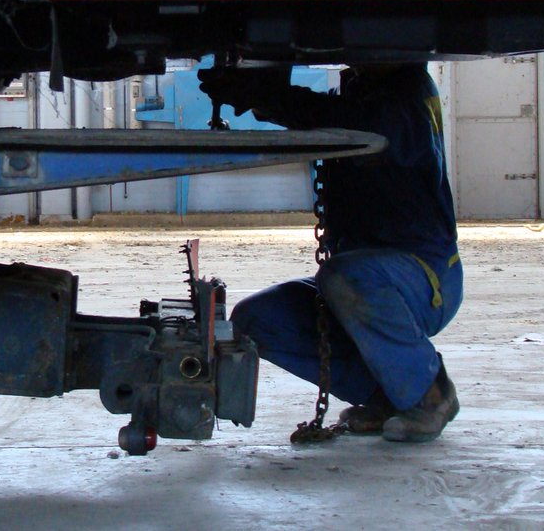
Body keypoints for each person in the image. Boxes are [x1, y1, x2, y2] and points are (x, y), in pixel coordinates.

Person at [198, 63, 462, 442]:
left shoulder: (407, 89)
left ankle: (430, 393)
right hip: (365, 276)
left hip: (423, 274)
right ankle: (387, 397)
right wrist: (267, 98)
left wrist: (269, 97)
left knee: (345, 276)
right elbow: (338, 117)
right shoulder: (363, 86)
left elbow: (361, 126)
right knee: (258, 318)